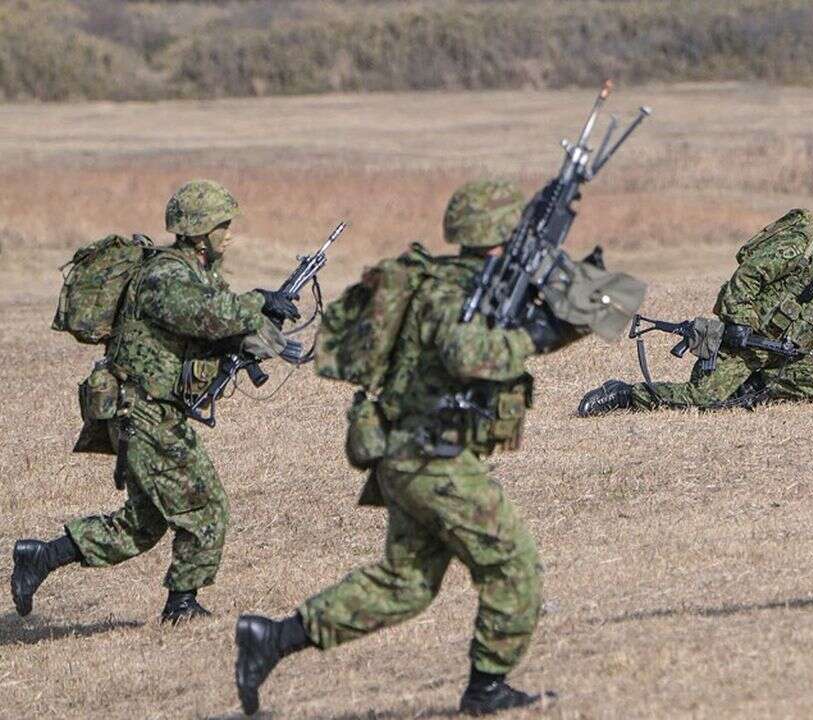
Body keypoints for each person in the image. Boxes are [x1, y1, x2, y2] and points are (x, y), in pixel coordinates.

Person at [234, 180, 579, 717]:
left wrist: (561, 316)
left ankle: (272, 638)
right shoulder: (455, 293)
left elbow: (514, 334)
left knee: (405, 584)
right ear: (500, 234)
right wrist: (530, 337)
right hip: (432, 460)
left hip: (410, 456)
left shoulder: (467, 282)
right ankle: (486, 690)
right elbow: (467, 354)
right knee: (513, 567)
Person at [9, 179, 301, 623]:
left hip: (152, 409)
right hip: (139, 410)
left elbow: (216, 329)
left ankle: (40, 556)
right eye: (223, 224)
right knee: (205, 507)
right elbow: (211, 316)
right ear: (201, 232)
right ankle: (181, 607)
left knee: (141, 526)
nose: (231, 233)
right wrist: (260, 301)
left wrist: (263, 324)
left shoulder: (196, 275)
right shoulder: (166, 277)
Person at [577, 204, 813, 416]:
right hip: (741, 345)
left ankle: (752, 389)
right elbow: (745, 278)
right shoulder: (799, 250)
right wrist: (742, 325)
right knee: (705, 400)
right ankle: (626, 395)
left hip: (780, 355)